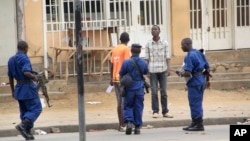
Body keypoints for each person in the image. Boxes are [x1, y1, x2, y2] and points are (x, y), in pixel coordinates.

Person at [8, 40, 42, 140]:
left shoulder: (11, 59)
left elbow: (10, 76)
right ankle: (23, 126)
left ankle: (27, 132)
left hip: (18, 89)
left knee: (25, 112)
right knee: (36, 108)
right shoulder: (25, 58)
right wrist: (35, 78)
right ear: (25, 49)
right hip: (28, 88)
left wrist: (13, 91)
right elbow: (26, 72)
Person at [176, 37, 210, 131]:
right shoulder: (199, 53)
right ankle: (195, 122)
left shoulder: (189, 56)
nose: (181, 47)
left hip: (194, 81)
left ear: (187, 45)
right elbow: (207, 67)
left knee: (194, 103)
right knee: (198, 102)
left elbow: (188, 72)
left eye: (182, 45)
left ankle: (198, 124)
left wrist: (180, 73)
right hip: (201, 80)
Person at [144, 25, 173, 118]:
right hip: (152, 71)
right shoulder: (148, 44)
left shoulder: (164, 43)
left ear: (159, 31)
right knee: (154, 92)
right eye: (152, 29)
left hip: (163, 70)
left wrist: (169, 68)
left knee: (164, 91)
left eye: (156, 29)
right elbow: (147, 59)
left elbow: (167, 57)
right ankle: (155, 111)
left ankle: (165, 111)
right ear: (151, 32)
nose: (154, 30)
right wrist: (146, 70)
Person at [119, 44, 149, 135]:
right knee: (138, 107)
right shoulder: (143, 62)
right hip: (139, 87)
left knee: (128, 105)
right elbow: (145, 72)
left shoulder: (126, 62)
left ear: (131, 51)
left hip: (129, 88)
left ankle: (128, 123)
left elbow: (121, 73)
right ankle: (137, 127)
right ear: (140, 52)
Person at [110, 32, 131, 132]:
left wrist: (111, 78)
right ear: (128, 40)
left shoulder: (115, 49)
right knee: (124, 102)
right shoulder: (126, 49)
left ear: (120, 39)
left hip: (115, 79)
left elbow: (112, 64)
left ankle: (120, 124)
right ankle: (124, 123)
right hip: (122, 79)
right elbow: (127, 64)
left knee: (119, 102)